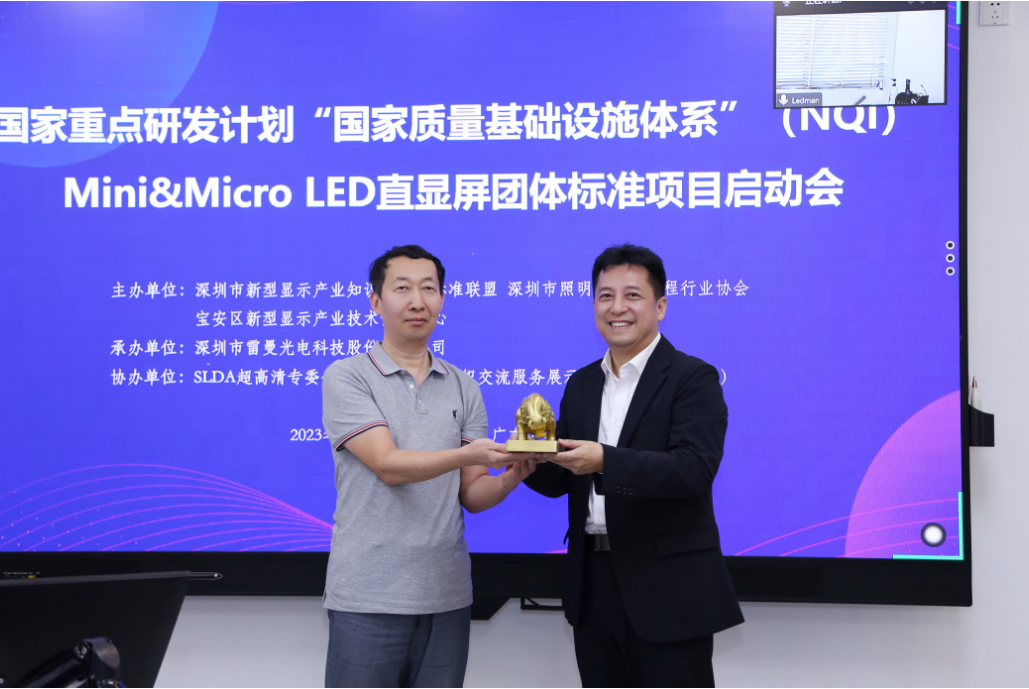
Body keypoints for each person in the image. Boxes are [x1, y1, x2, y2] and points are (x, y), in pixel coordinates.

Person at [524, 244, 744, 688]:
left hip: (668, 589)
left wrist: (605, 460)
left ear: (660, 306)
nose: (617, 308)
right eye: (605, 296)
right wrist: (526, 459)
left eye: (632, 295)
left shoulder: (693, 377)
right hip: (592, 584)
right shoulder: (581, 383)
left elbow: (692, 469)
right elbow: (563, 477)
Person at [321, 245, 534, 688]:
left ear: (442, 299)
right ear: (376, 301)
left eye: (429, 289)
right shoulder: (348, 376)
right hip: (367, 595)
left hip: (445, 595)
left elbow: (471, 494)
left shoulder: (463, 386)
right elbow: (388, 465)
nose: (418, 301)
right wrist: (469, 455)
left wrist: (512, 476)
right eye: (402, 288)